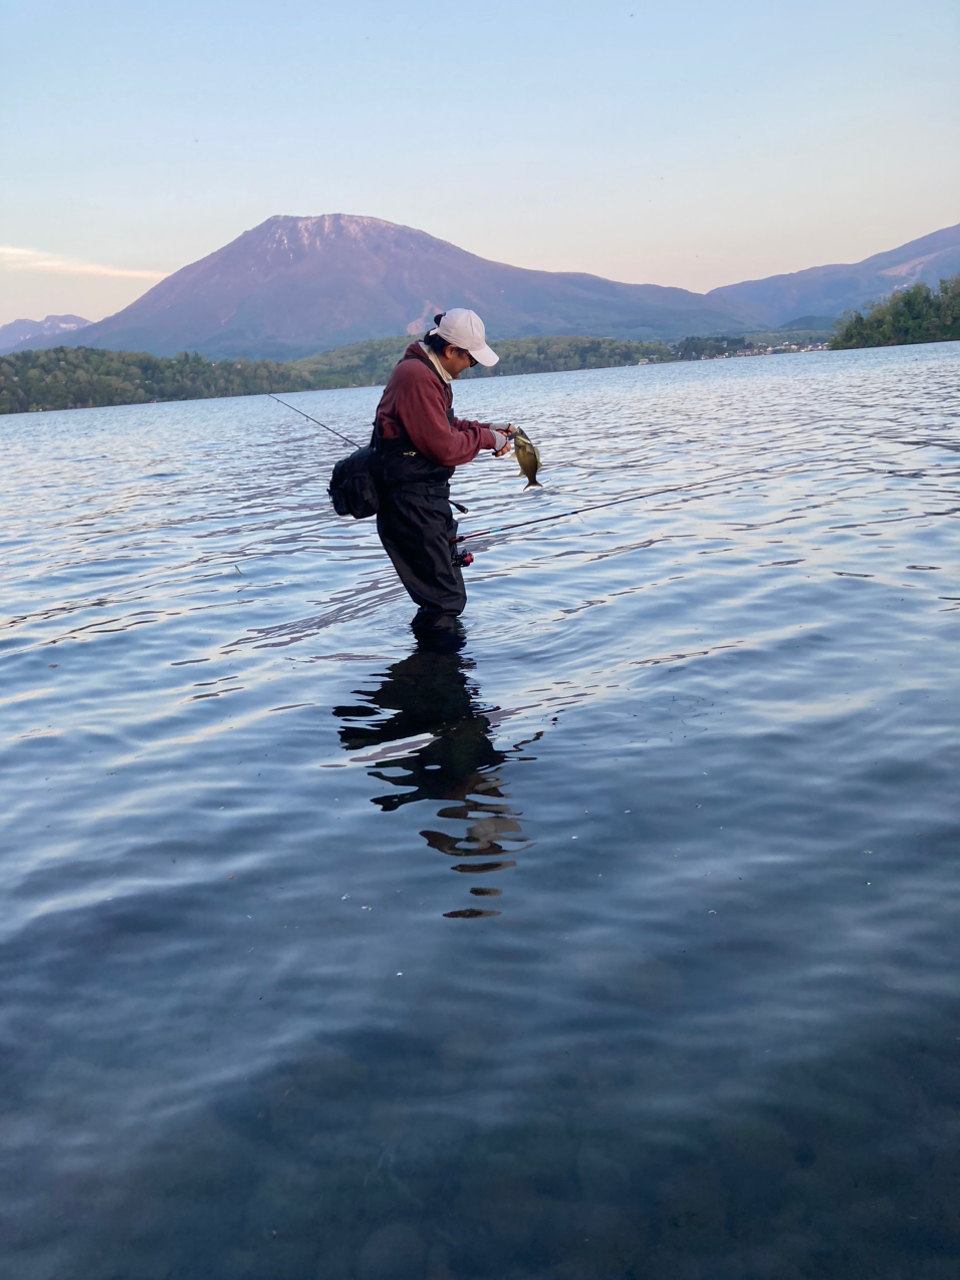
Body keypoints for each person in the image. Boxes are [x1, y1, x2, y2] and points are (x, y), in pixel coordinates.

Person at [372, 308, 514, 635]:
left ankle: (435, 670)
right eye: (471, 360)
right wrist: (487, 439)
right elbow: (445, 447)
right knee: (444, 602)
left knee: (447, 597)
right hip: (409, 507)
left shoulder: (430, 373)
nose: (470, 367)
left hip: (427, 503)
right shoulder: (417, 377)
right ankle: (434, 677)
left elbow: (442, 427)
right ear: (451, 351)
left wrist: (488, 429)